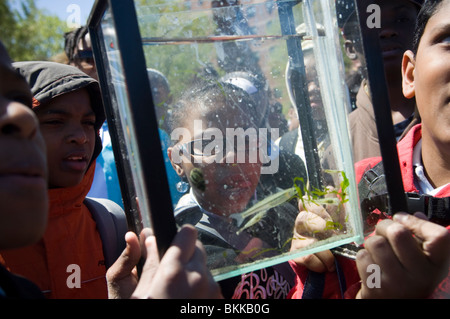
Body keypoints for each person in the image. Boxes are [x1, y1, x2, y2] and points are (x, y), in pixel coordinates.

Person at [288, 0, 450, 298]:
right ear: (410, 72)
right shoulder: (354, 173)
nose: (385, 31)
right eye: (448, 40)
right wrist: (317, 272)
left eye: (402, 19)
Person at [168, 81, 298, 299]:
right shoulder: (180, 250)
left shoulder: (286, 214)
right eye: (210, 144)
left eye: (246, 140)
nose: (233, 158)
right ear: (177, 161)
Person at [343, 0, 423, 163]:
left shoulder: (443, 116)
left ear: (422, 29)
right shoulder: (341, 145)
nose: (387, 31)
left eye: (401, 20)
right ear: (351, 49)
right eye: (372, 21)